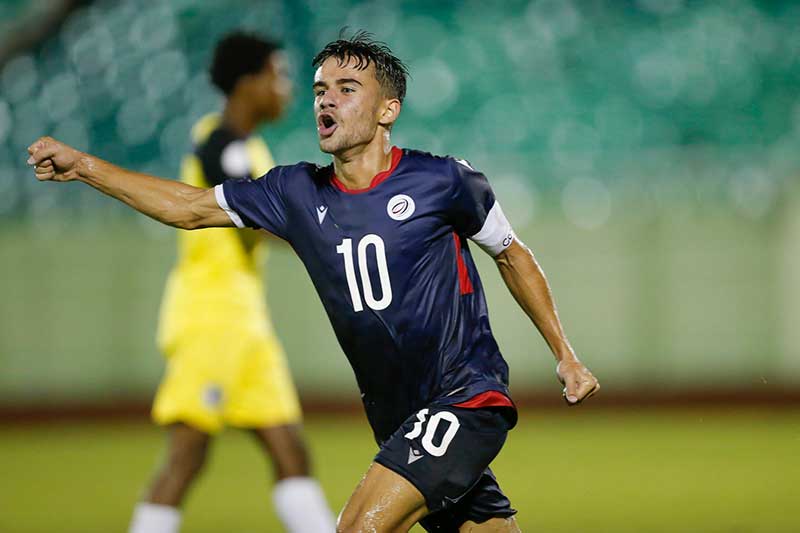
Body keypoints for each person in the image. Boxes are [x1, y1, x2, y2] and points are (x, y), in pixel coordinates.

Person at [28, 32, 599, 532]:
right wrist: (84, 167)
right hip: (400, 418)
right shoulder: (294, 193)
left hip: (465, 398)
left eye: (348, 88)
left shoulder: (444, 179)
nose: (326, 97)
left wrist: (565, 355)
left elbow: (511, 254)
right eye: (321, 87)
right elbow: (189, 208)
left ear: (387, 110)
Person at [127, 33, 335, 533]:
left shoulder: (249, 148)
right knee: (186, 457)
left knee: (291, 453)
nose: (287, 89)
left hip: (247, 326)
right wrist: (331, 233)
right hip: (211, 320)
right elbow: (257, 218)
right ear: (248, 83)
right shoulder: (220, 141)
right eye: (279, 76)